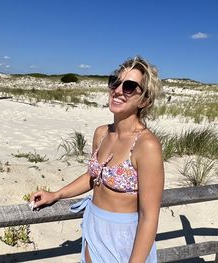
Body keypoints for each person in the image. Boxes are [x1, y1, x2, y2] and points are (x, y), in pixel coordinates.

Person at [30, 56, 164, 263]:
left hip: (124, 238)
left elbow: (149, 216)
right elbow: (93, 177)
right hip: (93, 226)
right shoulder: (101, 133)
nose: (118, 90)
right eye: (115, 82)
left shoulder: (146, 146)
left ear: (144, 100)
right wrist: (56, 194)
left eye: (129, 86)